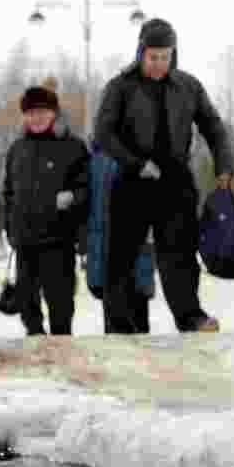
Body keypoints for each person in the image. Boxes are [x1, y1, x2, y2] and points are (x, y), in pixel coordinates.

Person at [95, 17, 234, 333]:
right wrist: (134, 163)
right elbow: (103, 133)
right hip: (132, 180)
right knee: (121, 255)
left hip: (175, 181)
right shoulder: (120, 87)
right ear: (141, 52)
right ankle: (118, 323)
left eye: (165, 56)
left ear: (173, 54)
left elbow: (213, 126)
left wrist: (223, 166)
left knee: (180, 253)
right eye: (153, 56)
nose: (159, 63)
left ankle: (190, 317)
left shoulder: (188, 86)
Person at [3, 85, 89, 336]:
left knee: (60, 301)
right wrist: (9, 227)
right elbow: (8, 193)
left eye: (42, 111)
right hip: (25, 239)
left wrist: (73, 196)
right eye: (30, 112)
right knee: (27, 303)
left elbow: (86, 188)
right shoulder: (17, 150)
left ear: (53, 113)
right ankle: (36, 342)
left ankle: (62, 346)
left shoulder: (73, 147)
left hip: (58, 239)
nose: (36, 117)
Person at [85, 141, 156, 333]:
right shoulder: (91, 161)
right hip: (108, 249)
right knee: (121, 313)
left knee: (130, 313)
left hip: (129, 249)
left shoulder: (92, 161)